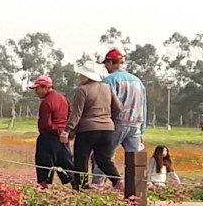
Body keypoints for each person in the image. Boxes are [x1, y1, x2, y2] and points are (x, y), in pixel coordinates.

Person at [64, 63, 124, 191]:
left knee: (81, 158)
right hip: (107, 129)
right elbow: (118, 107)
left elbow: (76, 114)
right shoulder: (107, 88)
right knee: (103, 159)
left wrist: (67, 130)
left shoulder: (83, 90)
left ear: (86, 76)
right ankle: (117, 181)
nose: (79, 77)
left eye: (81, 75)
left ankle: (81, 187)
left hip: (88, 130)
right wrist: (108, 118)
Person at [30, 75, 73, 187]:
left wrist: (54, 129)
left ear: (45, 87)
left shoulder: (46, 103)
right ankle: (75, 186)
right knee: (66, 163)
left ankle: (44, 186)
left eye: (37, 88)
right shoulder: (64, 99)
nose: (36, 92)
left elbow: (46, 124)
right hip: (62, 135)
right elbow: (70, 115)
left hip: (49, 136)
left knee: (44, 164)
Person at [102, 49, 147, 155]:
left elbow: (106, 104)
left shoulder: (109, 80)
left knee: (104, 156)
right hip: (135, 124)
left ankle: (101, 172)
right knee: (135, 160)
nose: (105, 67)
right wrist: (142, 129)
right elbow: (143, 106)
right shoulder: (138, 81)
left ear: (110, 62)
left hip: (117, 123)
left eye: (106, 64)